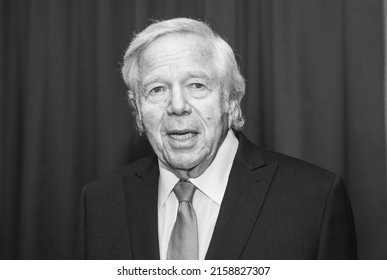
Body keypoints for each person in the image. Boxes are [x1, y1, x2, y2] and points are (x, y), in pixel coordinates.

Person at [78, 17, 357, 260]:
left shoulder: (315, 199)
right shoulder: (101, 202)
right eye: (156, 89)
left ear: (231, 102)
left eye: (197, 85)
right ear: (137, 109)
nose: (177, 106)